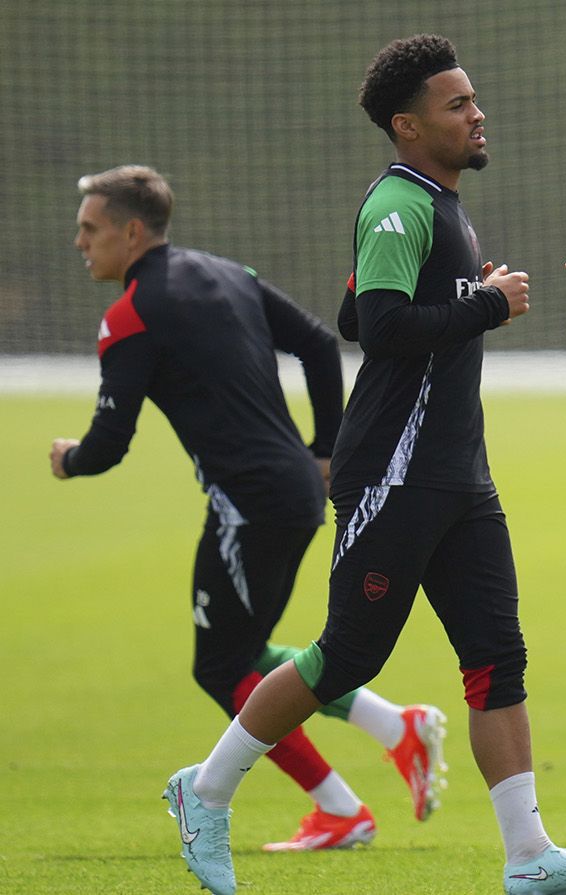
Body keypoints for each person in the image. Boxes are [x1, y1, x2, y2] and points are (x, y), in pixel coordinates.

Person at [161, 35, 566, 895]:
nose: (476, 112)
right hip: (396, 469)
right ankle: (205, 789)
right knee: (346, 656)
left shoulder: (440, 204)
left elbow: (350, 312)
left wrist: (462, 296)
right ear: (409, 127)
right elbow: (378, 328)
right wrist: (487, 303)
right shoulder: (398, 204)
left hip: (458, 470)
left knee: (498, 656)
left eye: (473, 98)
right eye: (457, 105)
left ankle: (529, 857)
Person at [52, 164, 444, 854]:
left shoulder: (131, 315)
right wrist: (324, 449)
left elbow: (110, 444)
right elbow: (322, 343)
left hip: (251, 506)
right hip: (288, 490)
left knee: (222, 666)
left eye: (90, 228)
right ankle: (395, 727)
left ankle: (339, 808)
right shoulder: (229, 273)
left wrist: (69, 457)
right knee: (248, 647)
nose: (79, 242)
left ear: (131, 230)